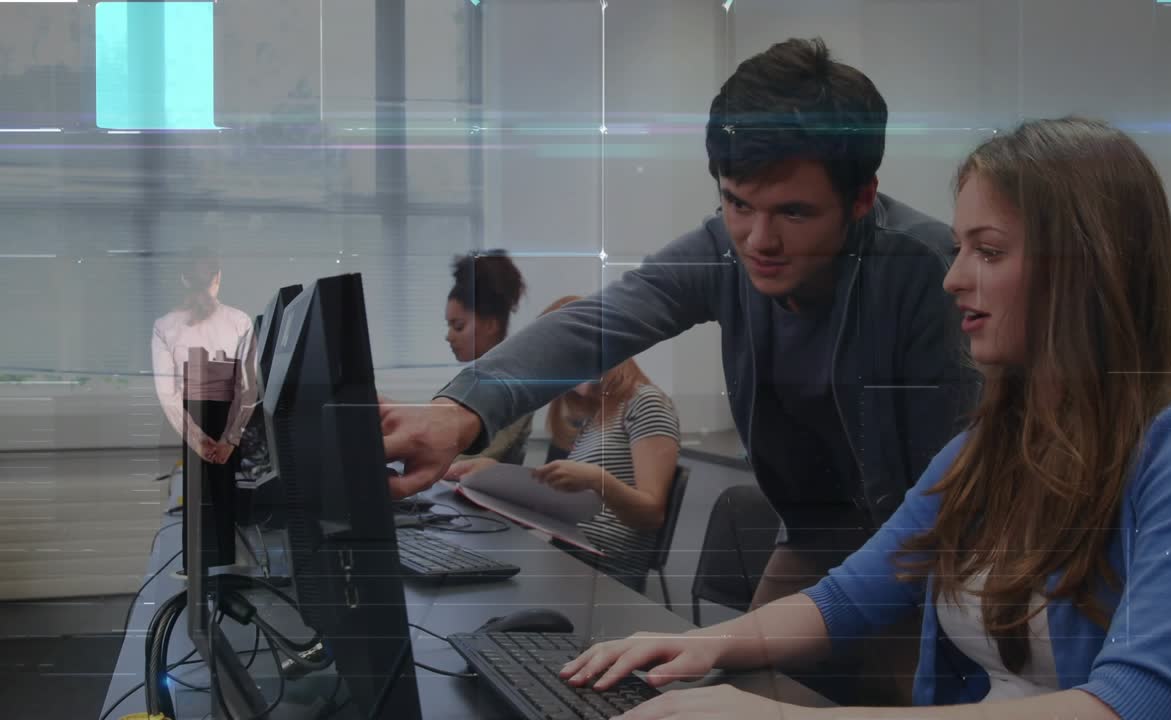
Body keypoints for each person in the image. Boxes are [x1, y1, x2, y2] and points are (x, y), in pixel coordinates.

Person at [554, 117, 1171, 720]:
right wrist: (707, 647)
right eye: (960, 246)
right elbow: (849, 597)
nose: (953, 276)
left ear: (1085, 270)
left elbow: (1135, 703)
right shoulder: (984, 451)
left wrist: (785, 718)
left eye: (988, 251)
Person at [382, 37, 975, 608]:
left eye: (793, 212)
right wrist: (458, 411)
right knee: (749, 682)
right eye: (738, 203)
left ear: (862, 198)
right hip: (814, 537)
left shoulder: (927, 272)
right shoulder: (723, 251)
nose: (758, 241)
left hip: (928, 554)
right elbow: (601, 322)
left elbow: (946, 498)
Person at [448, 296, 681, 591]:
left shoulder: (646, 403)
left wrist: (597, 480)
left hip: (604, 574)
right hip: (571, 557)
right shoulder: (596, 416)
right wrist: (493, 473)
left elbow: (651, 514)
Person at [151, 250, 256, 465]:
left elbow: (166, 394)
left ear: (183, 279)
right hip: (226, 421)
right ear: (218, 277)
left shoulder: (164, 326)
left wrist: (197, 439)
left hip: (180, 429)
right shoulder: (240, 321)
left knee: (187, 494)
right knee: (226, 496)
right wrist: (230, 438)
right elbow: (247, 388)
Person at [443, 250, 534, 466]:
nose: (448, 336)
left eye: (458, 326)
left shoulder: (512, 381)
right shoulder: (477, 378)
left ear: (490, 325)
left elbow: (468, 460)